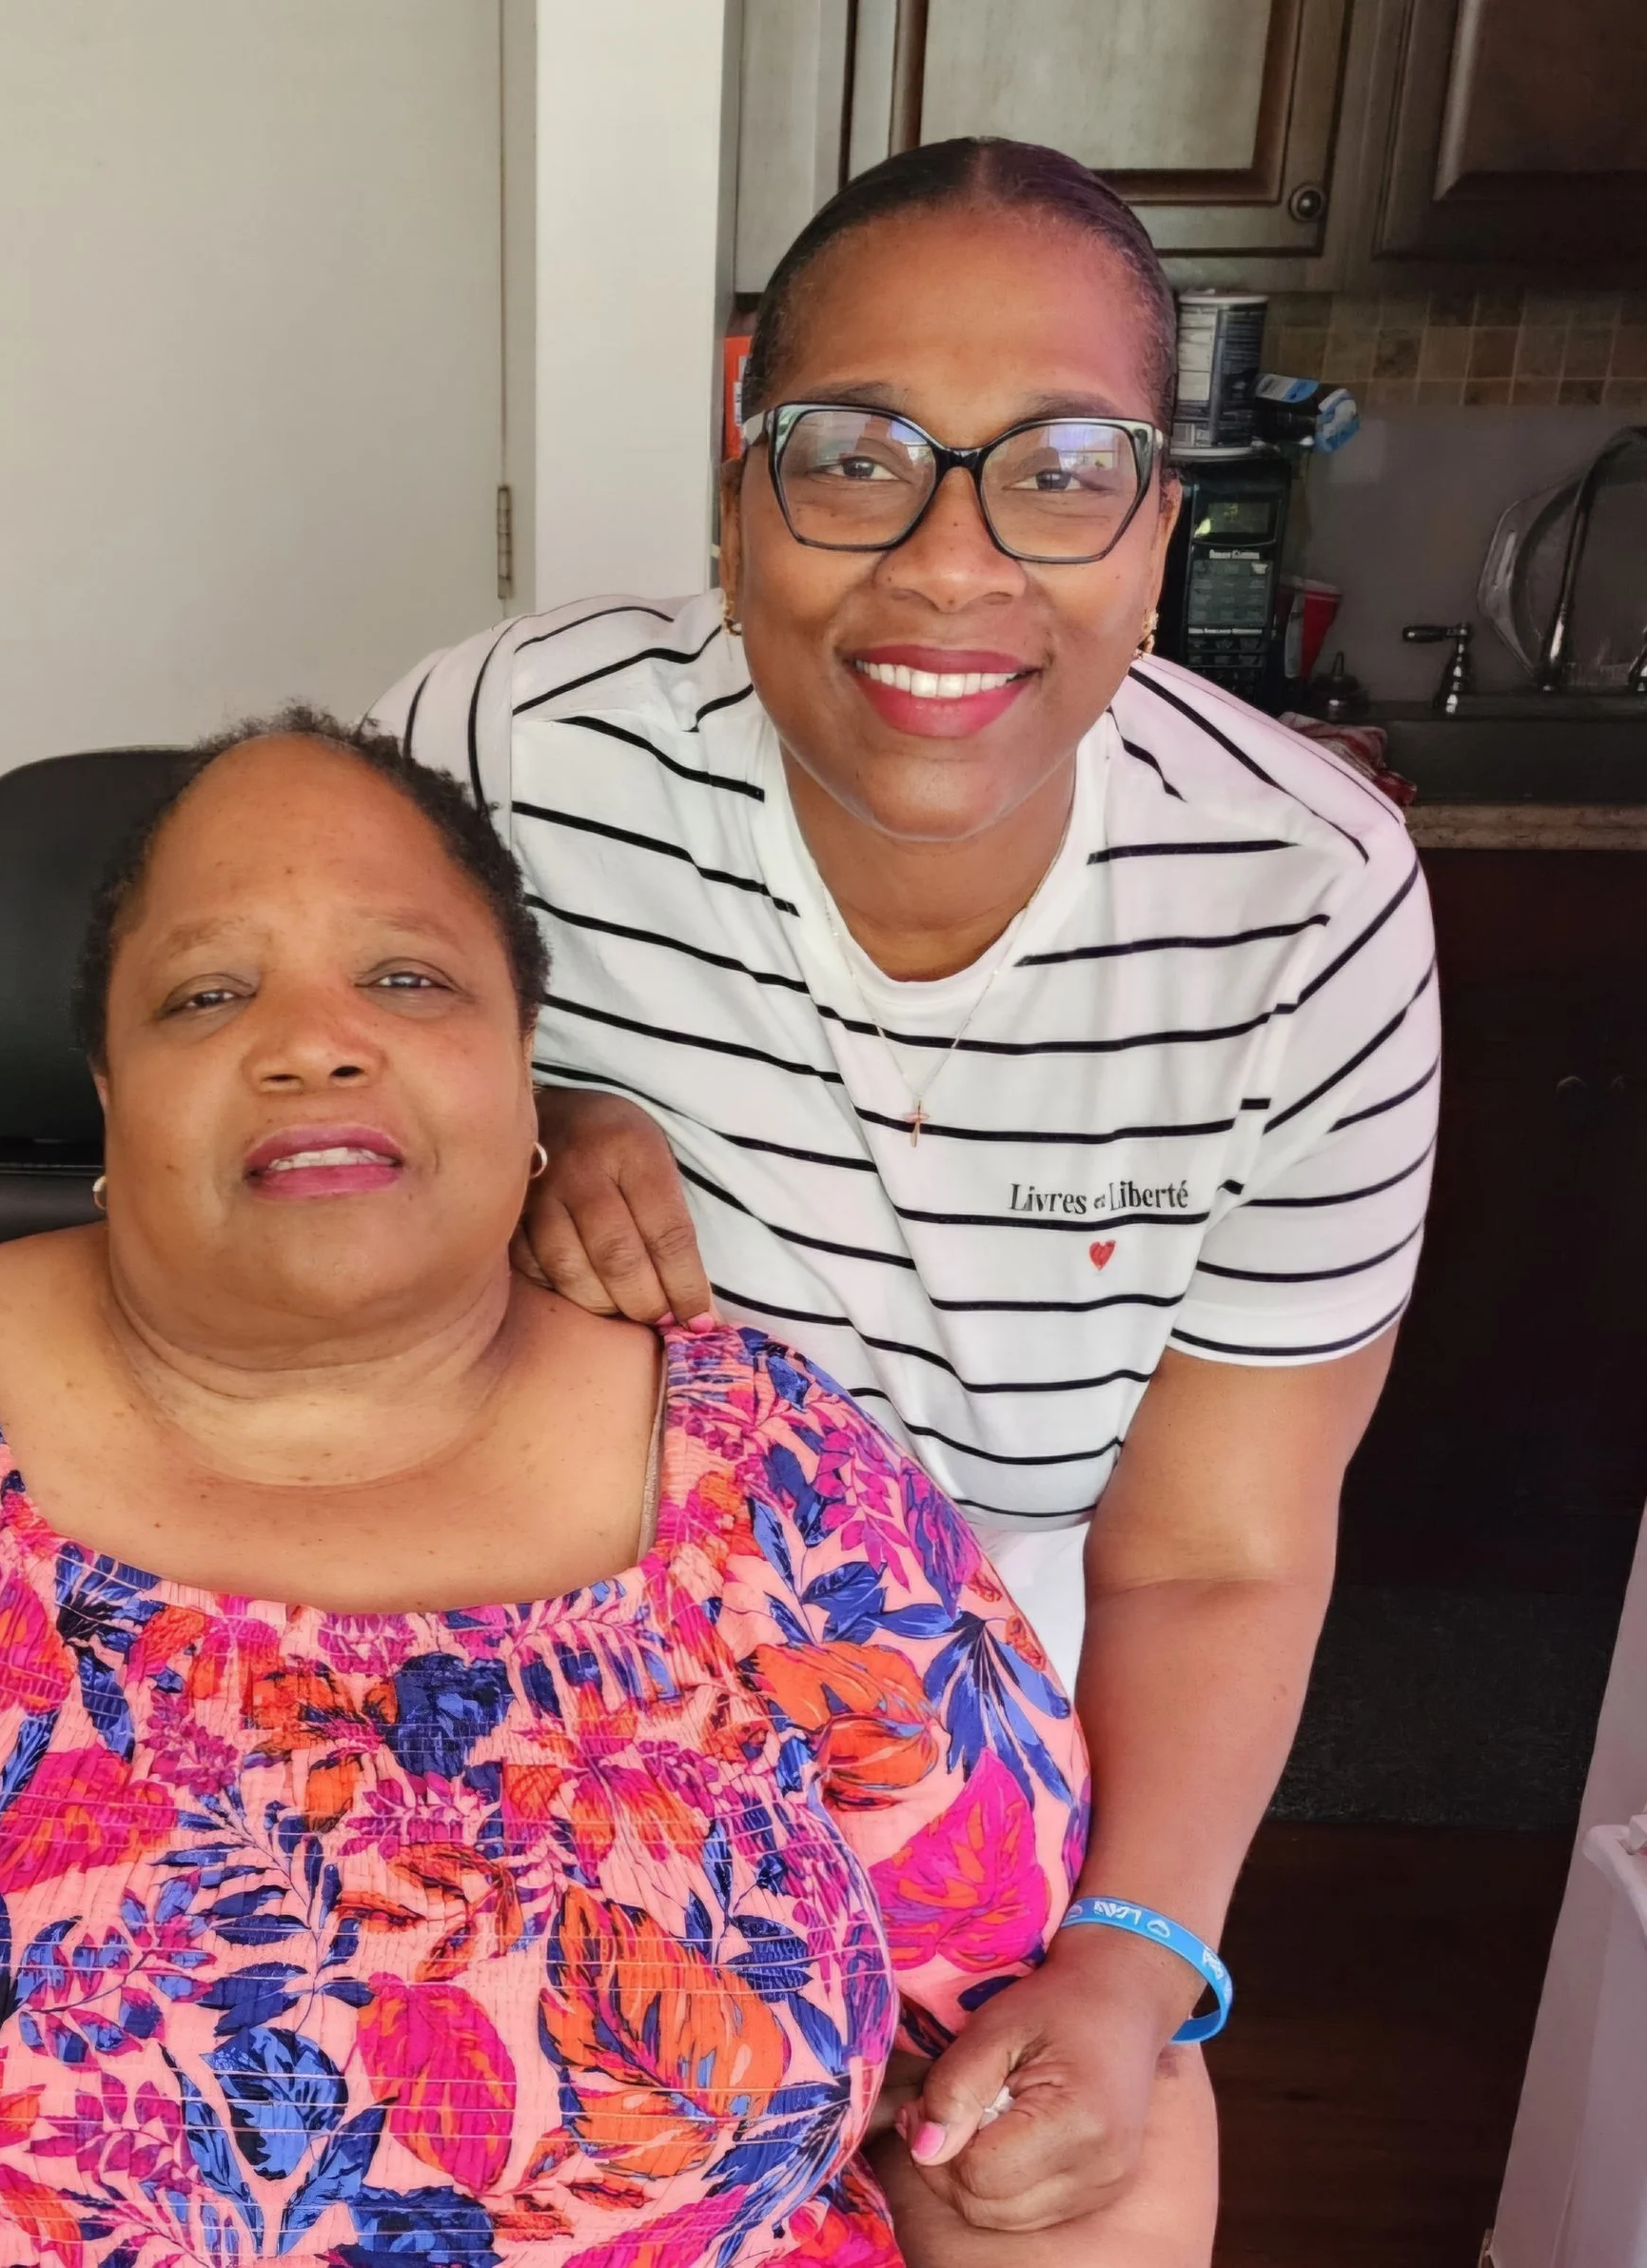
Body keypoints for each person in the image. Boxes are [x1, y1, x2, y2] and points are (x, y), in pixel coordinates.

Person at [0, 716, 1212, 2268]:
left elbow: (1057, 2096)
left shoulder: (781, 1493)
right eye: (206, 992)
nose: (311, 1037)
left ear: (526, 1077)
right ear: (107, 1093)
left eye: (405, 976)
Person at [375, 137, 1434, 2237]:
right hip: (525, 1640)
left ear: (1159, 527)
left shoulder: (1301, 904)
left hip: (987, 1694)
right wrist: (526, 1114)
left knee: (1067, 2195)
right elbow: (307, 1088)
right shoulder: (500, 749)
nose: (951, 567)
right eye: (854, 457)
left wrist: (1129, 1960)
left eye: (1060, 472)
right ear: (739, 478)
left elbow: (1216, 1552)